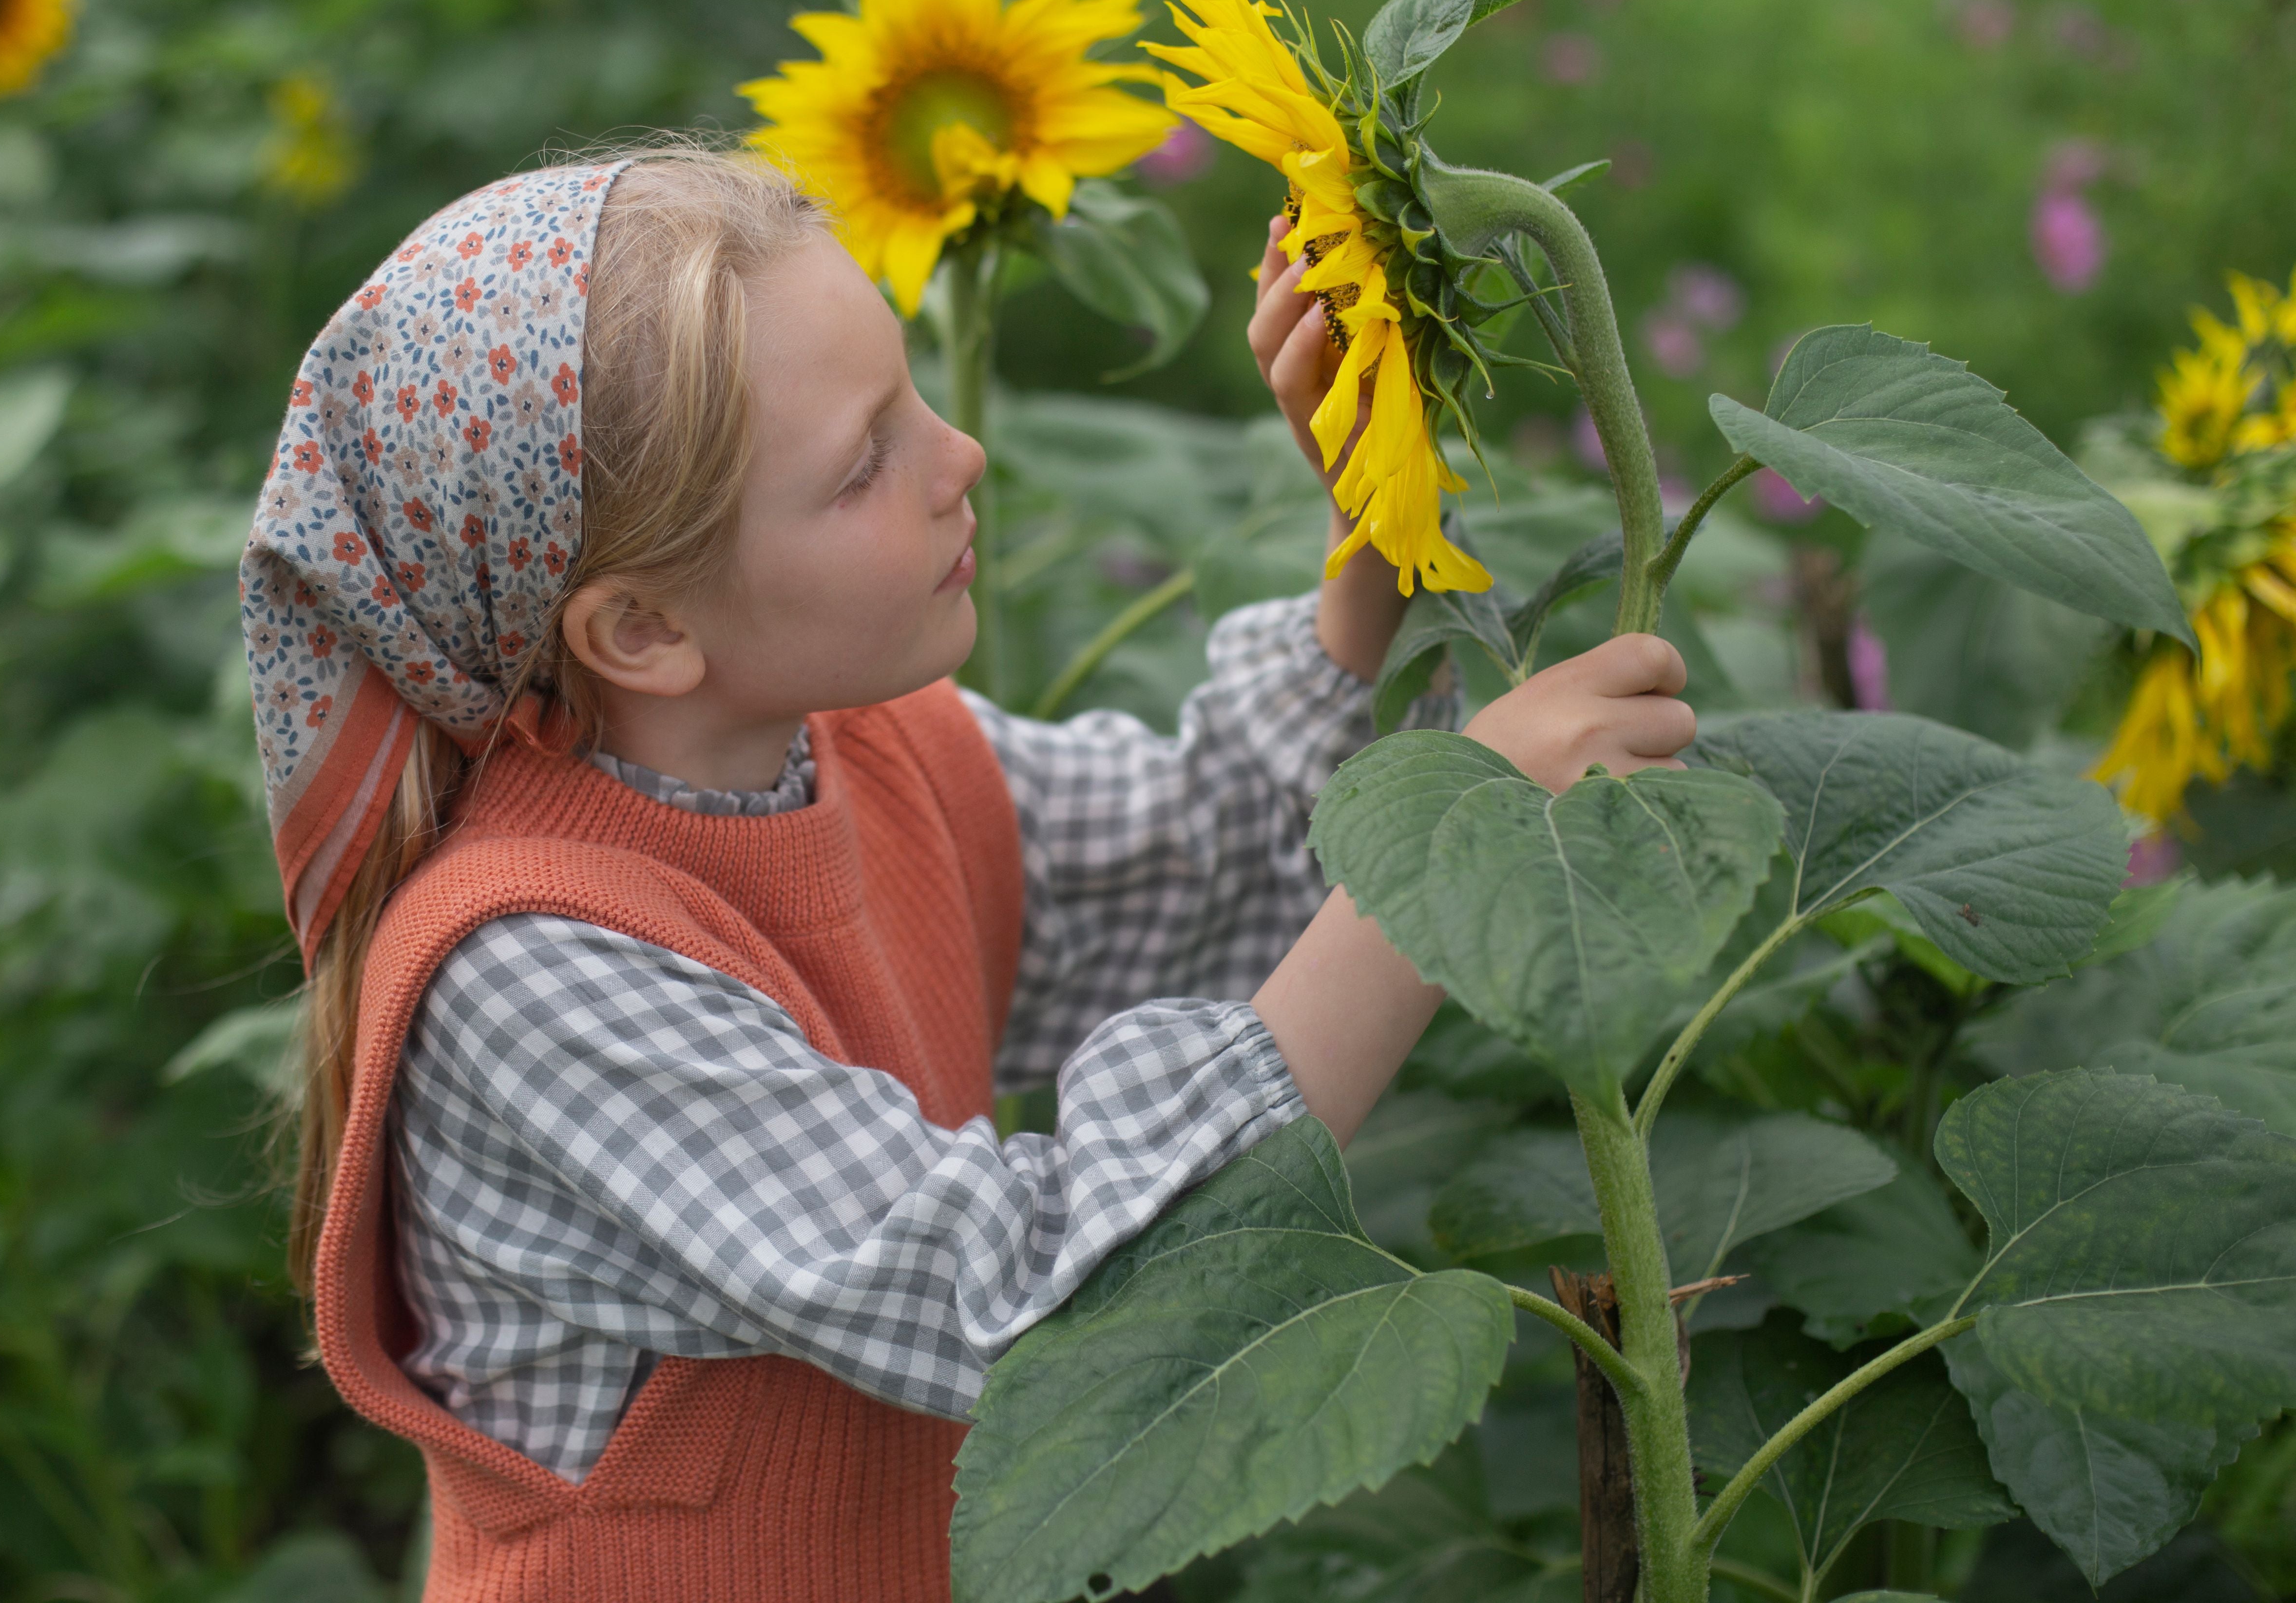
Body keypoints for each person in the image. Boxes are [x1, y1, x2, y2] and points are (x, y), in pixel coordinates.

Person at [240, 143, 1694, 1602]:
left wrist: (1376, 517)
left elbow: (1206, 863)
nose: (959, 459)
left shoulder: (867, 754)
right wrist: (1474, 838)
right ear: (638, 633)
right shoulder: (531, 975)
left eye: (914, 395)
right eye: (866, 460)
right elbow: (1033, 1297)